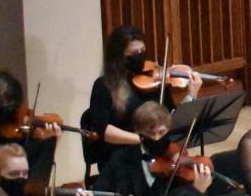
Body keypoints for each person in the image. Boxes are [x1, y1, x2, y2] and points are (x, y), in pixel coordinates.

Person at [84, 24, 199, 166]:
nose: (140, 56)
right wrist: (141, 139)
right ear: (119, 57)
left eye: (142, 51)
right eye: (133, 53)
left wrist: (191, 95)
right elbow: (103, 130)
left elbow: (173, 118)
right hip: (122, 155)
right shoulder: (104, 86)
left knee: (191, 170)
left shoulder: (156, 81)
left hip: (156, 150)